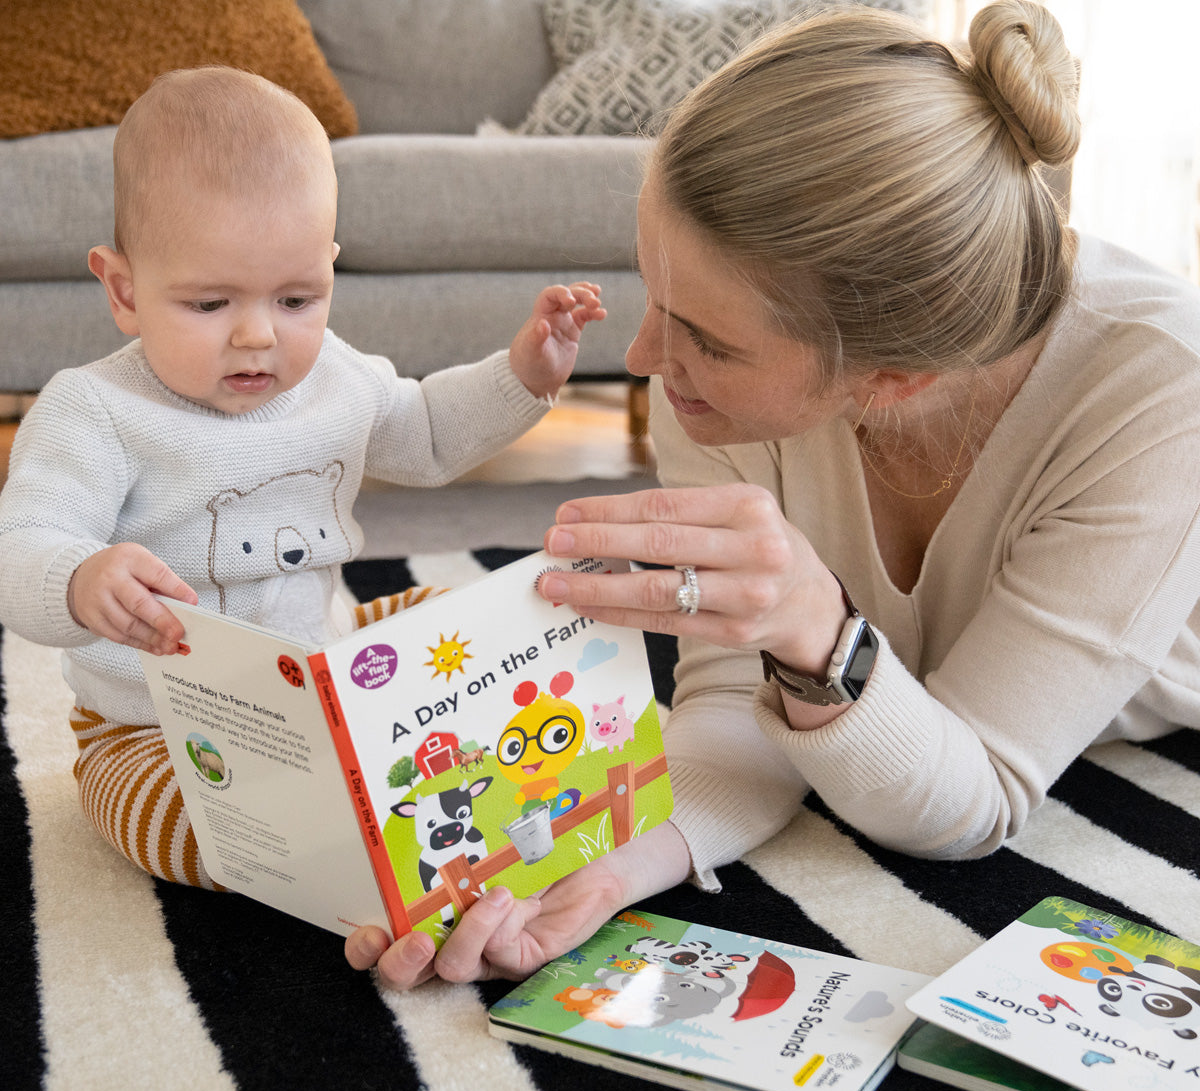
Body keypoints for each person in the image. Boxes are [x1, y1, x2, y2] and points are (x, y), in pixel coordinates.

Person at [347, 0, 1200, 990]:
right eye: (657, 298)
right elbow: (731, 705)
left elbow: (972, 801)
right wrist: (603, 868)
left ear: (895, 380)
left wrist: (813, 627)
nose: (642, 358)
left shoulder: (1155, 390)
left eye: (707, 338)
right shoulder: (703, 391)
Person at [0, 66, 605, 889]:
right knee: (188, 826)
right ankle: (329, 834)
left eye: (296, 299)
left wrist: (524, 375)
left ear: (330, 269)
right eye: (210, 305)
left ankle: (367, 788)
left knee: (486, 615)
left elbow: (426, 431)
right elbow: (23, 543)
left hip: (320, 678)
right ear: (124, 290)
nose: (258, 336)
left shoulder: (336, 380)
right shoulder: (96, 411)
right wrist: (77, 578)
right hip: (163, 729)